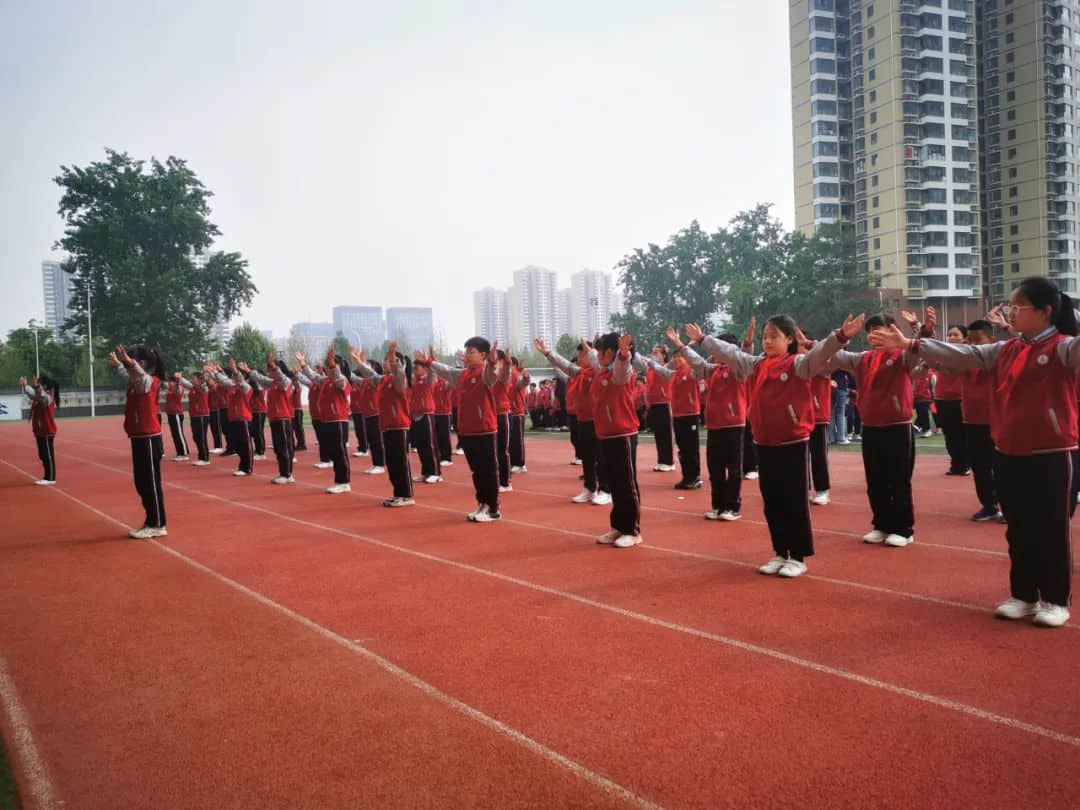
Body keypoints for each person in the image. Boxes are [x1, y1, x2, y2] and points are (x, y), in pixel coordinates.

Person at [870, 278, 1080, 628]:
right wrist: (911, 343)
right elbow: (963, 354)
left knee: (1051, 527)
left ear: (1045, 312)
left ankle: (1056, 599)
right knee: (1019, 528)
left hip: (1053, 452)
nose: (1011, 312)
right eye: (1010, 306)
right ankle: (1025, 595)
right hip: (1009, 451)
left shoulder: (1064, 348)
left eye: (1018, 307)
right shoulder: (1007, 349)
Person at [682, 314, 863, 577]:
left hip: (793, 441)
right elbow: (731, 353)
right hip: (764, 442)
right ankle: (780, 552)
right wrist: (702, 340)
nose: (767, 341)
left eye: (774, 336)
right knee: (773, 501)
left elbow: (821, 352)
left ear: (789, 339)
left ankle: (798, 556)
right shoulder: (756, 365)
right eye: (765, 336)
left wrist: (841, 336)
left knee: (794, 500)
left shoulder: (798, 364)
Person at [827, 314, 927, 548]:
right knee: (875, 479)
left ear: (892, 331)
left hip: (897, 426)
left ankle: (904, 528)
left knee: (899, 479)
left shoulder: (903, 357)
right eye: (871, 331)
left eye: (880, 330)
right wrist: (837, 337)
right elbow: (832, 355)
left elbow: (920, 349)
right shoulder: (862, 359)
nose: (874, 335)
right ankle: (881, 524)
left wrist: (917, 328)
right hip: (871, 426)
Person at [427, 338, 502, 520]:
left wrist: (492, 362)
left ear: (482, 355)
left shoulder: (485, 372)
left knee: (488, 470)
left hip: (484, 429)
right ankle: (482, 504)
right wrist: (430, 362)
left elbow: (492, 374)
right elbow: (446, 371)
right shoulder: (462, 374)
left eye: (471, 352)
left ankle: (493, 508)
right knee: (476, 471)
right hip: (466, 430)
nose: (467, 355)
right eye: (466, 351)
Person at [677, 331, 745, 521]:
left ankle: (732, 506)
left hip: (733, 425)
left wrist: (746, 344)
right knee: (715, 468)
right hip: (714, 426)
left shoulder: (738, 369)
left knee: (733, 469)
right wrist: (681, 346)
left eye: (718, 347)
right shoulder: (713, 369)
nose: (714, 351)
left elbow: (745, 355)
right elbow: (697, 362)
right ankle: (718, 505)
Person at [537, 337, 611, 505]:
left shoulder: (601, 371)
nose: (580, 358)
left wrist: (590, 349)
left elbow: (597, 364)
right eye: (579, 354)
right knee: (587, 456)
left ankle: (606, 490)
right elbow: (566, 365)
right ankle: (589, 488)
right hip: (582, 419)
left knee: (601, 456)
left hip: (598, 421)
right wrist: (548, 353)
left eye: (583, 354)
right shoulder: (580, 372)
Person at [109, 345, 168, 539]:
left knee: (150, 483)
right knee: (141, 483)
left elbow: (138, 375)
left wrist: (128, 361)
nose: (128, 364)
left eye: (133, 360)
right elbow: (130, 376)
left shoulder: (148, 381)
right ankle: (151, 519)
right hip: (138, 437)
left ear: (141, 363)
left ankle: (157, 523)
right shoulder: (135, 382)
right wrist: (119, 364)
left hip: (149, 438)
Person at [592, 333, 644, 548]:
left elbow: (622, 371)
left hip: (623, 434)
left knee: (626, 483)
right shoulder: (602, 371)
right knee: (614, 483)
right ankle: (618, 527)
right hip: (606, 434)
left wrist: (624, 356)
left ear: (610, 354)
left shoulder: (621, 372)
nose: (598, 355)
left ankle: (632, 530)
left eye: (601, 351)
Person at [353, 344, 415, 507]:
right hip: (386, 425)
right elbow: (370, 374)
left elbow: (399, 375)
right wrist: (359, 362)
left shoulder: (400, 380)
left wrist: (394, 358)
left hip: (399, 425)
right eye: (385, 360)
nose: (385, 362)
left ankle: (407, 495)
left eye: (389, 360)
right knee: (392, 462)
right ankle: (398, 493)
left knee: (401, 461)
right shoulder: (383, 380)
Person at [960, 319, 1000, 521]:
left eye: (979, 340)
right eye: (970, 340)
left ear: (992, 340)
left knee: (1002, 465)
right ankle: (988, 505)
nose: (974, 345)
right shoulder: (965, 360)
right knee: (980, 465)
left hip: (997, 420)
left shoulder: (999, 358)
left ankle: (1009, 505)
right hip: (972, 420)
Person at [299, 349, 352, 494]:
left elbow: (338, 379)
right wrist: (303, 365)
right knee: (334, 451)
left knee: (340, 451)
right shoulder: (326, 380)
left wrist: (333, 366)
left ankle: (343, 481)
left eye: (330, 367)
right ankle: (340, 480)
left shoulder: (342, 380)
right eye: (327, 366)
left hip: (338, 420)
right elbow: (313, 377)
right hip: (328, 420)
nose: (327, 369)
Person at [211, 359, 254, 477]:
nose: (233, 378)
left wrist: (235, 370)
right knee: (238, 444)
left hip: (243, 418)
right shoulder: (232, 387)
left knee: (245, 444)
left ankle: (247, 468)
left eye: (236, 376)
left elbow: (240, 381)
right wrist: (214, 373)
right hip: (234, 418)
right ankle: (242, 466)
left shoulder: (246, 387)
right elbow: (224, 381)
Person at [408, 354, 442, 484]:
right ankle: (425, 472)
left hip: (427, 414)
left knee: (430, 444)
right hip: (415, 415)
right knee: (421, 446)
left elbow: (433, 372)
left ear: (424, 369)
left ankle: (436, 473)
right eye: (414, 368)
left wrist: (429, 361)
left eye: (417, 368)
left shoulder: (428, 379)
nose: (415, 370)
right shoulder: (414, 381)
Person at [21, 374, 59, 485]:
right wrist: (26, 386)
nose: (38, 387)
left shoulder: (49, 396)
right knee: (43, 454)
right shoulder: (39, 395)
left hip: (47, 430)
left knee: (48, 454)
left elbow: (43, 399)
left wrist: (37, 387)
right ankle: (47, 476)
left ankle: (50, 478)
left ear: (45, 386)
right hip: (40, 431)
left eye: (40, 384)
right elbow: (34, 395)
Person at [644, 345, 675, 472]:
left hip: (664, 402)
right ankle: (661, 460)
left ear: (664, 355)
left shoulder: (666, 367)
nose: (654, 355)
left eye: (657, 353)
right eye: (653, 352)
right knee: (658, 435)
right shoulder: (650, 370)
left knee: (666, 434)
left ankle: (669, 461)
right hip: (654, 404)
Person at [184, 370, 212, 466]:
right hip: (194, 415)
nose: (191, 380)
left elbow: (204, 388)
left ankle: (204, 458)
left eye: (193, 378)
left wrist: (204, 378)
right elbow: (184, 383)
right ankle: (201, 456)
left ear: (198, 379)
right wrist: (179, 379)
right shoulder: (192, 388)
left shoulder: (203, 387)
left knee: (201, 437)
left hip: (202, 415)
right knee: (196, 437)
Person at [508, 356, 530, 474]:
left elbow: (524, 382)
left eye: (510, 364)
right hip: (509, 412)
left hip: (517, 412)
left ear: (515, 366)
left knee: (517, 439)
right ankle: (513, 462)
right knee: (511, 440)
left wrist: (524, 375)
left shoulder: (516, 376)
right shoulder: (505, 377)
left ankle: (520, 464)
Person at [163, 373, 190, 461]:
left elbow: (177, 394)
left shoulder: (179, 387)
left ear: (175, 382)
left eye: (171, 382)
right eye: (169, 381)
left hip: (176, 414)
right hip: (170, 413)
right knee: (175, 434)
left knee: (179, 434)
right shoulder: (169, 388)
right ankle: (181, 452)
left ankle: (183, 453)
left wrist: (178, 383)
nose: (169, 383)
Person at [433, 374, 454, 467]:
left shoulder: (445, 383)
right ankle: (440, 455)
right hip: (435, 413)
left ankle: (447, 457)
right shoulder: (434, 384)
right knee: (437, 436)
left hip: (445, 413)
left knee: (444, 436)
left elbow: (451, 384)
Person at [829, 369, 853, 444]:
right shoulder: (842, 361)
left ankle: (830, 438)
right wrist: (854, 386)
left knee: (831, 414)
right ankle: (840, 438)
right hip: (841, 387)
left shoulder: (830, 361)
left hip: (830, 387)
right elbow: (850, 373)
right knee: (841, 414)